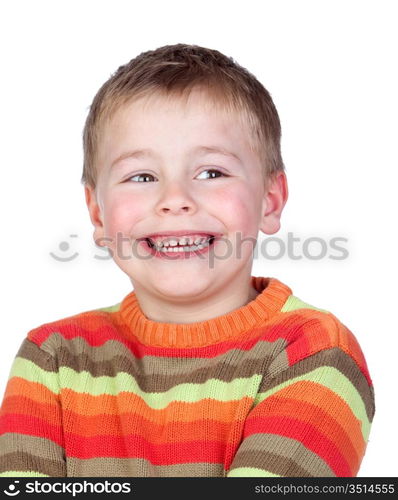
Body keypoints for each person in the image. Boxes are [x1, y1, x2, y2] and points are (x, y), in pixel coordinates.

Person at [0, 43, 375, 477]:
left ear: (270, 201)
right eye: (141, 176)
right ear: (98, 214)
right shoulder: (53, 359)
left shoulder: (315, 353)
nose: (175, 200)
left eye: (211, 173)